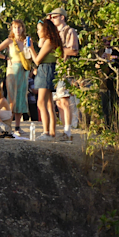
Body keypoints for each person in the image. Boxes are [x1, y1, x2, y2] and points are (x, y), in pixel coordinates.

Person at [0, 20, 30, 137]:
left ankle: (18, 126)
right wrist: (6, 58)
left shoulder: (26, 41)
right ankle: (9, 126)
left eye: (19, 27)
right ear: (12, 29)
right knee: (12, 99)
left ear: (23, 28)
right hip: (12, 70)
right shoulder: (10, 41)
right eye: (15, 28)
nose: (17, 30)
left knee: (21, 98)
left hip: (23, 71)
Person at [29, 19, 63, 141]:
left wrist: (31, 48)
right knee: (49, 104)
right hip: (48, 69)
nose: (37, 32)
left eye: (39, 29)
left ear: (45, 29)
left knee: (41, 102)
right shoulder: (49, 41)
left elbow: (37, 60)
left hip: (45, 70)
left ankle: (46, 132)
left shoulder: (49, 41)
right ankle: (52, 132)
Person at [48, 8, 79, 142]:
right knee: (59, 102)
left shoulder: (69, 31)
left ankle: (68, 130)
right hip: (55, 69)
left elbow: (74, 50)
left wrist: (57, 50)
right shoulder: (54, 33)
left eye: (54, 17)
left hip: (65, 70)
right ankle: (65, 131)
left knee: (65, 101)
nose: (52, 19)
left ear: (62, 17)